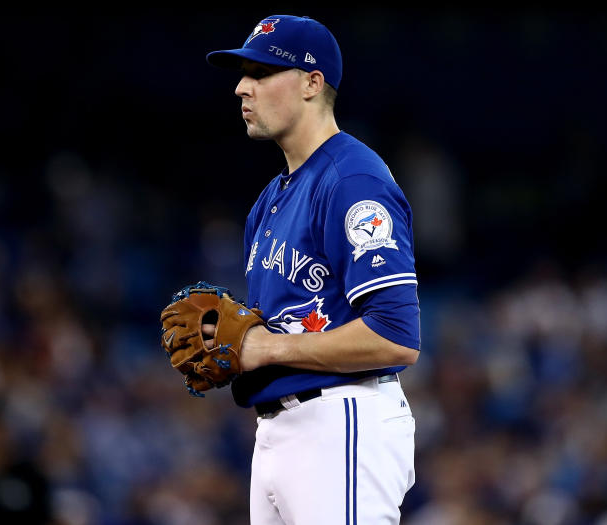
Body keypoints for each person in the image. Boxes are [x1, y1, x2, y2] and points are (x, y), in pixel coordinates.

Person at [204, 15, 420, 524]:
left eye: (259, 72)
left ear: (311, 83)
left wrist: (266, 348)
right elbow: (274, 326)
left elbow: (396, 336)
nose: (241, 88)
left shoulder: (353, 179)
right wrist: (230, 342)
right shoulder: (270, 200)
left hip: (341, 417)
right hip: (280, 429)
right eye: (242, 75)